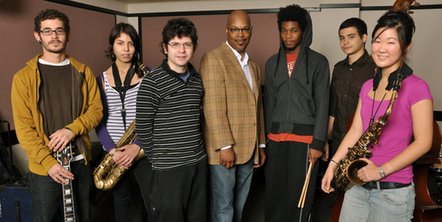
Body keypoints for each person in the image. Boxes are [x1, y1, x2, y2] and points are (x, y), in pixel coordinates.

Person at [322, 10, 433, 222]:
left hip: (393, 192)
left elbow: (424, 142)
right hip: (357, 185)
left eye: (391, 42)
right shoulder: (367, 86)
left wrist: (381, 171)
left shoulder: (417, 87)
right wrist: (333, 164)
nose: (381, 49)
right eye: (377, 40)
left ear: (406, 45)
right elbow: (356, 130)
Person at [11, 9, 102, 222]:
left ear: (68, 34)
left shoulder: (83, 72)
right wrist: (48, 163)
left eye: (59, 30)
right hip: (45, 168)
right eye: (48, 31)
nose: (54, 36)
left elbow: (96, 111)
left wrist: (72, 130)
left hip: (80, 161)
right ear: (37, 35)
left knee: (83, 217)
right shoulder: (22, 78)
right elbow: (24, 129)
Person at [136, 18, 207, 222]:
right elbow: (143, 127)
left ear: (194, 47)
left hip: (198, 164)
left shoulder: (197, 79)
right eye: (175, 44)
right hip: (168, 170)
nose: (181, 50)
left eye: (187, 44)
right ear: (165, 48)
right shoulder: (151, 82)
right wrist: (161, 158)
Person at [264, 4, 330, 222]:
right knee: (274, 196)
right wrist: (267, 139)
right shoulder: (272, 63)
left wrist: (318, 143)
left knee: (299, 199)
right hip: (276, 140)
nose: (288, 36)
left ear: (303, 31)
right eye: (284, 31)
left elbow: (323, 105)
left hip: (305, 142)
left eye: (293, 30)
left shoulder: (319, 62)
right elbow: (269, 104)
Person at [199, 10, 266, 222]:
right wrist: (225, 146)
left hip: (249, 148)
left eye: (245, 29)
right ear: (227, 30)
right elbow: (212, 106)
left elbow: (259, 108)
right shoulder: (213, 58)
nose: (240, 34)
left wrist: (261, 145)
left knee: (238, 206)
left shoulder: (253, 66)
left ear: (251, 31)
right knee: (223, 207)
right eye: (235, 29)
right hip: (223, 151)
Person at [95, 22, 152, 222]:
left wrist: (137, 146)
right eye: (120, 43)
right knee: (121, 200)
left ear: (136, 46)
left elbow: (155, 115)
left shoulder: (148, 74)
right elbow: (98, 121)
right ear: (112, 46)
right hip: (114, 150)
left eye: (131, 43)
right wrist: (112, 151)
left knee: (152, 200)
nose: (126, 49)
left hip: (142, 147)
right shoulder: (100, 80)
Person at [323, 17, 376, 162]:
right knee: (335, 184)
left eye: (351, 37)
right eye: (342, 38)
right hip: (338, 142)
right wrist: (324, 140)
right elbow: (333, 109)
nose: (345, 42)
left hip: (365, 146)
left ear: (364, 37)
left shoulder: (376, 68)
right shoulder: (338, 68)